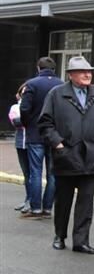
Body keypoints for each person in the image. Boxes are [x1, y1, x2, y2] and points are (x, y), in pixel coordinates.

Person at [37, 56, 94, 253]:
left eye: (89, 71)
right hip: (66, 155)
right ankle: (59, 235)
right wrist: (58, 144)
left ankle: (81, 241)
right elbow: (45, 123)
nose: (88, 74)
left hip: (91, 155)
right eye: (82, 71)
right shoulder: (57, 94)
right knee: (63, 200)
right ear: (71, 75)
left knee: (86, 202)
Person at [20, 57, 62, 218]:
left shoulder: (32, 84)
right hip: (54, 134)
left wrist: (28, 123)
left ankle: (36, 207)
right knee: (52, 172)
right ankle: (47, 208)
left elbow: (25, 108)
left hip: (35, 132)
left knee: (35, 171)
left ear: (38, 68)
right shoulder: (61, 85)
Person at [8, 84, 31, 212]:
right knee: (26, 173)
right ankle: (28, 198)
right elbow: (15, 122)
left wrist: (24, 119)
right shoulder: (15, 107)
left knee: (33, 173)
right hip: (20, 142)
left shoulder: (33, 106)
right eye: (23, 90)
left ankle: (33, 200)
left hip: (32, 142)